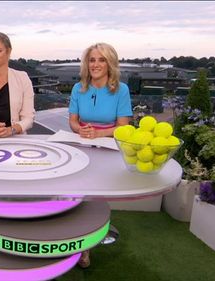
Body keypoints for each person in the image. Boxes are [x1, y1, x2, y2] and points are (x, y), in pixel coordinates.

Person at [68, 42, 133, 268]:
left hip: (107, 147)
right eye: (92, 60)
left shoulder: (121, 90)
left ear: (109, 63)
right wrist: (80, 130)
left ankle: (87, 246)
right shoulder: (79, 88)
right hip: (82, 145)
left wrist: (99, 133)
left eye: (101, 60)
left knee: (95, 198)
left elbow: (123, 126)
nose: (95, 64)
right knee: (78, 196)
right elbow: (73, 122)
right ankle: (75, 243)